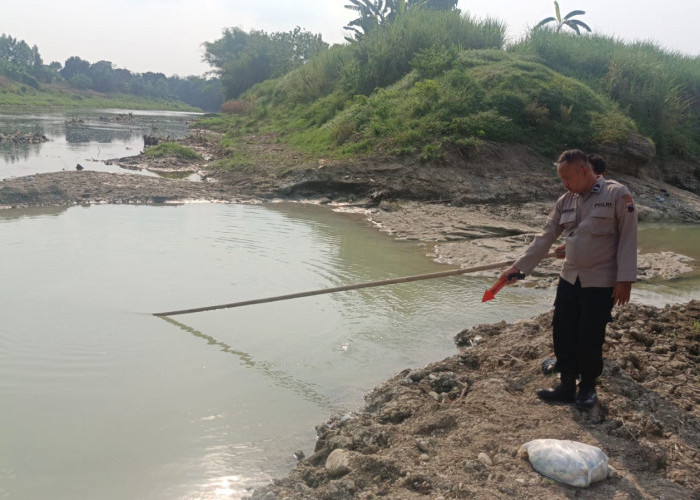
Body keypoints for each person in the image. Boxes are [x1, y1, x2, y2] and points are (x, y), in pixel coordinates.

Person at [501, 149, 637, 409]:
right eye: (561, 179)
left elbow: (629, 237)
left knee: (590, 334)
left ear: (585, 171)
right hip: (569, 278)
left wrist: (625, 279)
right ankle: (566, 385)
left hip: (600, 281)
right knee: (562, 330)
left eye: (567, 178)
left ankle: (587, 387)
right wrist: (518, 268)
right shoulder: (566, 200)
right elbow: (545, 237)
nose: (564, 184)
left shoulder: (618, 194)